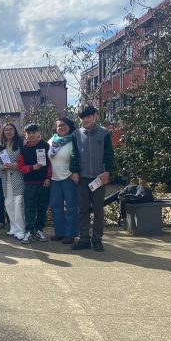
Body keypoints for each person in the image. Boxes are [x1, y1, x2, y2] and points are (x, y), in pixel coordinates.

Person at [70, 105, 115, 252]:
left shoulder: (104, 134)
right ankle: (84, 238)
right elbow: (74, 155)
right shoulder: (76, 134)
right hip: (82, 178)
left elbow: (109, 155)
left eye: (88, 116)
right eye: (83, 117)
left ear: (94, 116)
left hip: (99, 178)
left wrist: (107, 172)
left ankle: (97, 239)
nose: (86, 119)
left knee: (98, 210)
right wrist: (74, 171)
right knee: (82, 209)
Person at [18, 124, 51, 244]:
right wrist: (32, 167)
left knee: (42, 207)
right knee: (29, 207)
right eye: (29, 133)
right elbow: (21, 167)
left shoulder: (46, 146)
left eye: (34, 132)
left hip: (44, 183)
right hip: (30, 183)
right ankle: (29, 231)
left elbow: (50, 164)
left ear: (38, 134)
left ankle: (39, 230)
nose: (31, 135)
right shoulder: (23, 149)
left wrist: (48, 178)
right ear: (25, 135)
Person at [47, 117, 78, 244]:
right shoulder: (52, 140)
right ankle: (60, 233)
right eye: (59, 126)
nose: (61, 127)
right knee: (55, 207)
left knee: (71, 207)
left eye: (64, 125)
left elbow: (78, 158)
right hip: (54, 179)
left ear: (70, 126)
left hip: (68, 178)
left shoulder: (74, 140)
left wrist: (74, 172)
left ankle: (70, 234)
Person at [0, 123, 26, 240]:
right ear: (3, 133)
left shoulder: (21, 144)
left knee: (18, 204)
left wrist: (15, 165)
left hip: (19, 179)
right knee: (8, 204)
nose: (8, 132)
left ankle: (21, 230)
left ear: (15, 131)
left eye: (11, 129)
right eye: (6, 130)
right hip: (6, 180)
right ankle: (14, 228)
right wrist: (3, 167)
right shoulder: (2, 146)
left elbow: (26, 160)